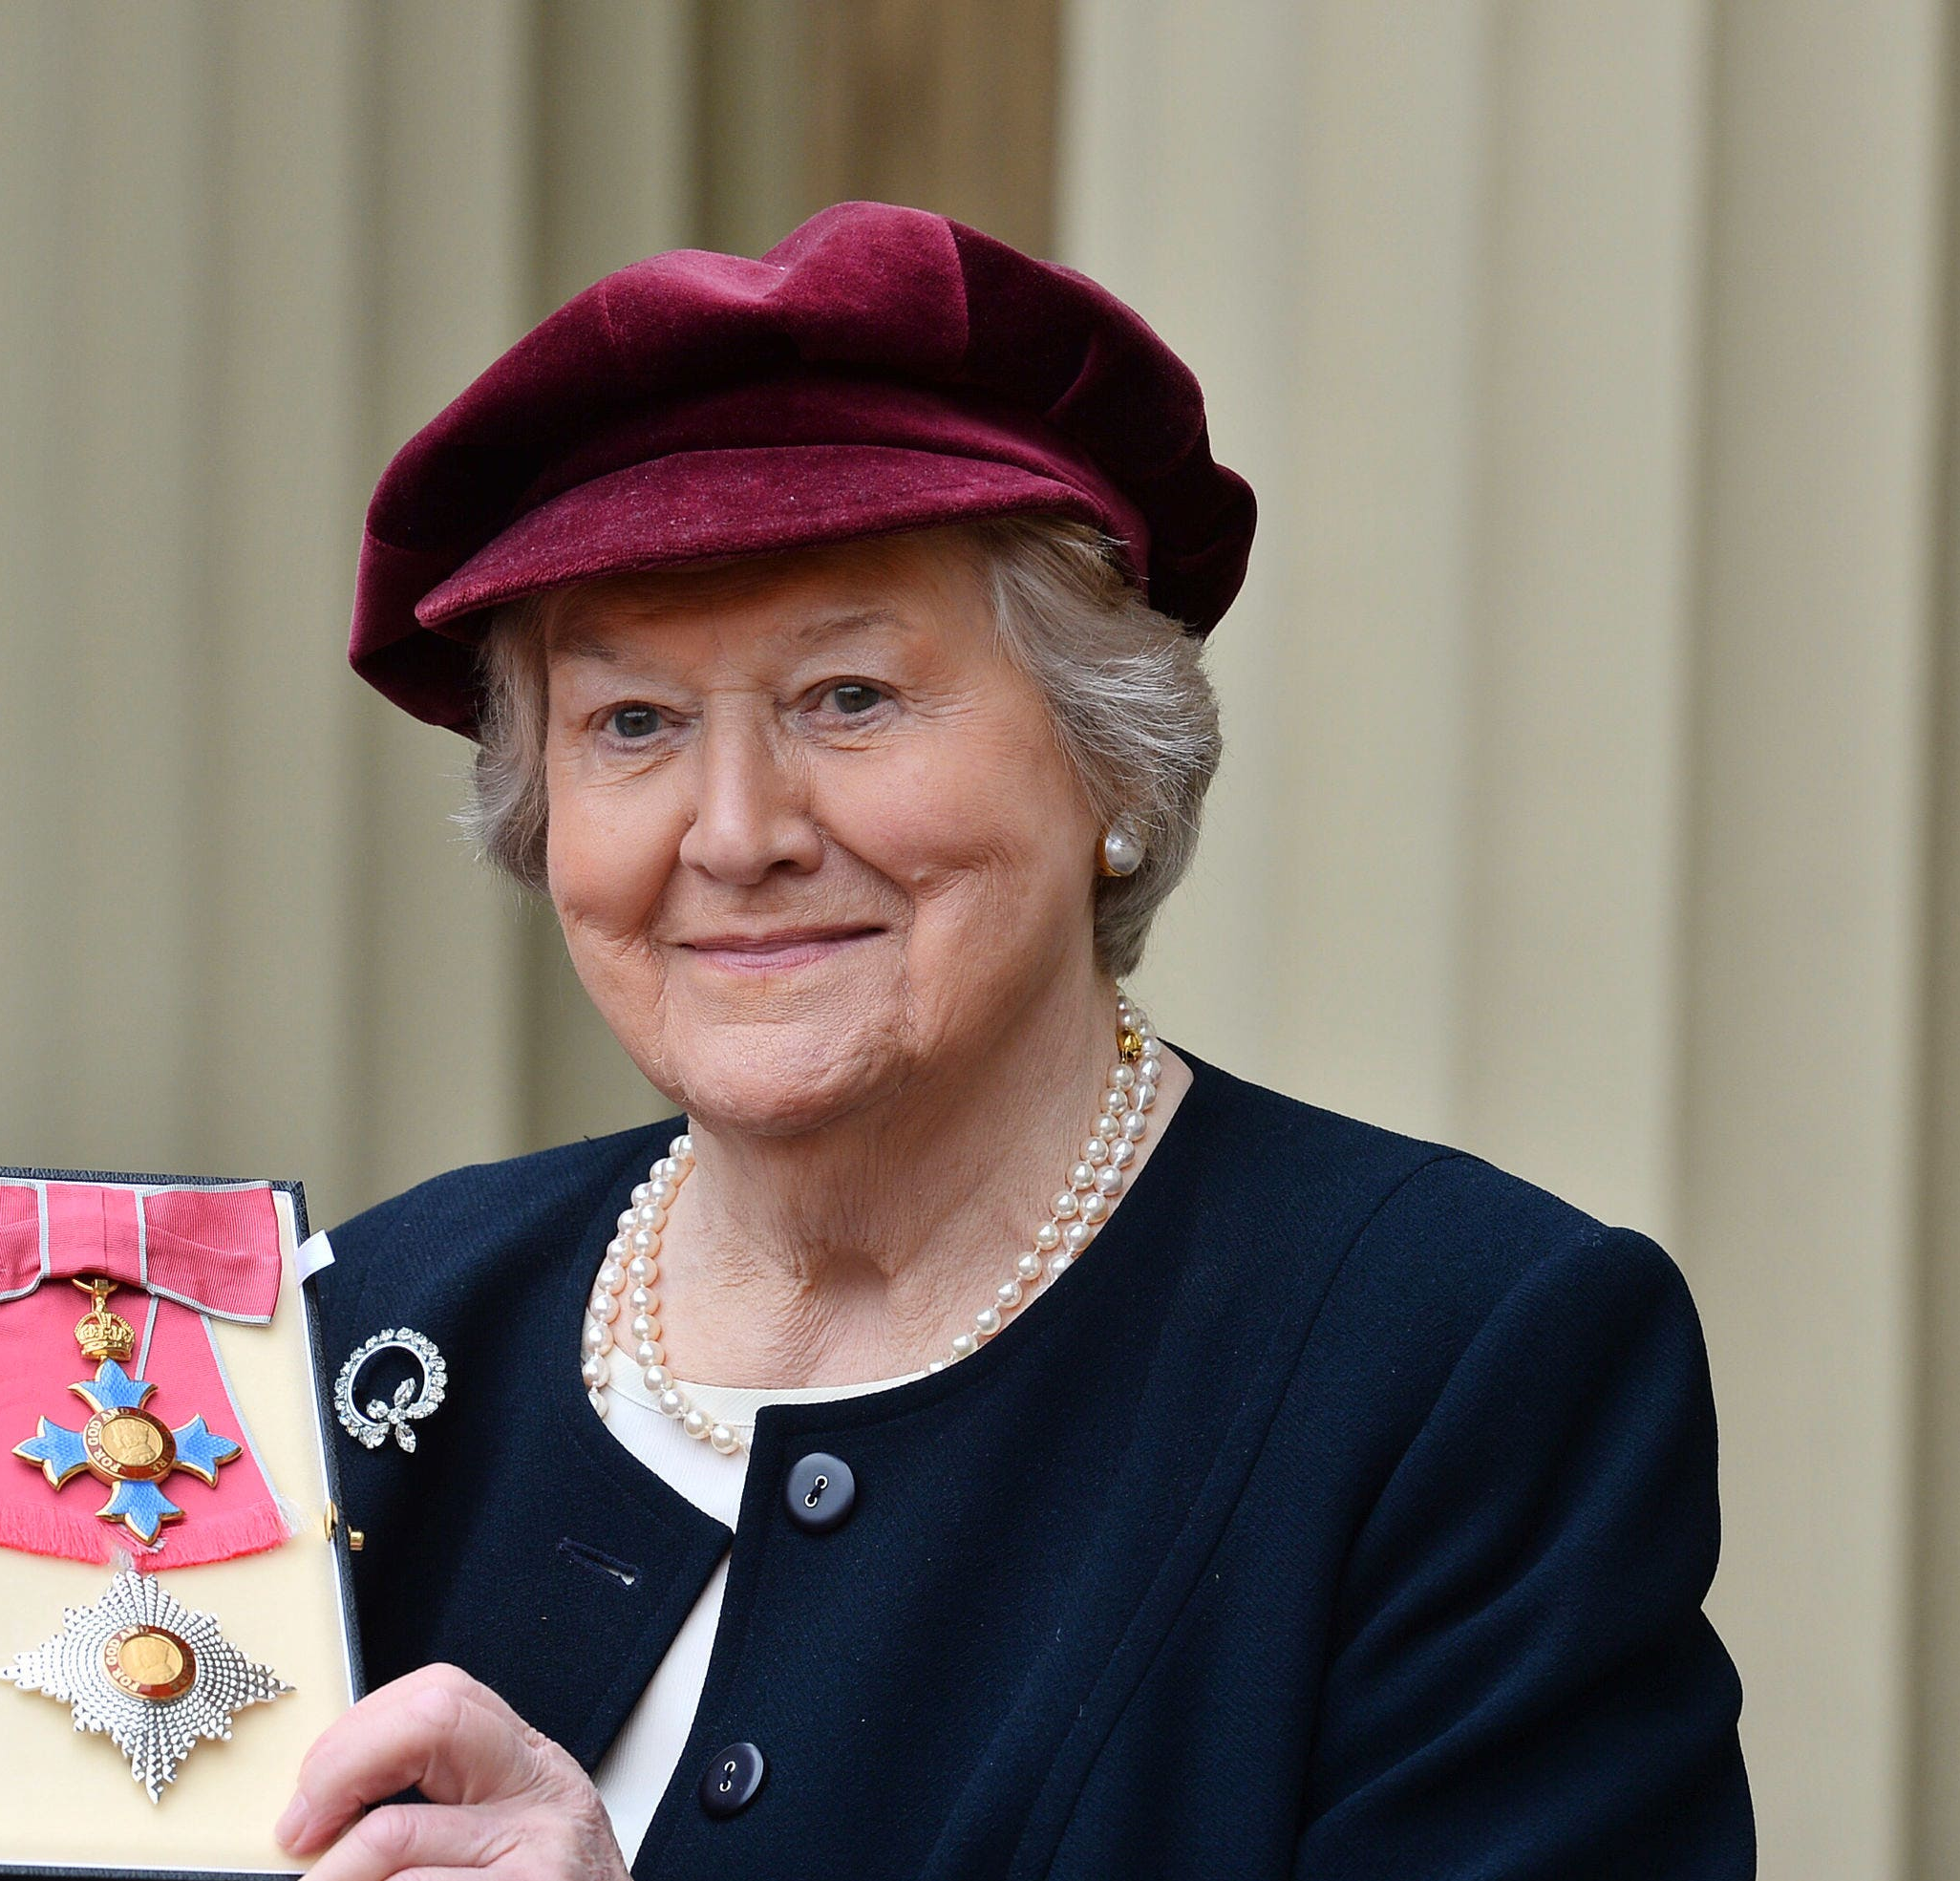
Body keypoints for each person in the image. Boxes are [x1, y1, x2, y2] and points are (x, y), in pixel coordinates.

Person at [280, 202, 1751, 1880]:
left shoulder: (1456, 1366)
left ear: (1112, 767)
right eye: (634, 724)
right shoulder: (360, 1327)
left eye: (852, 698)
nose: (737, 829)